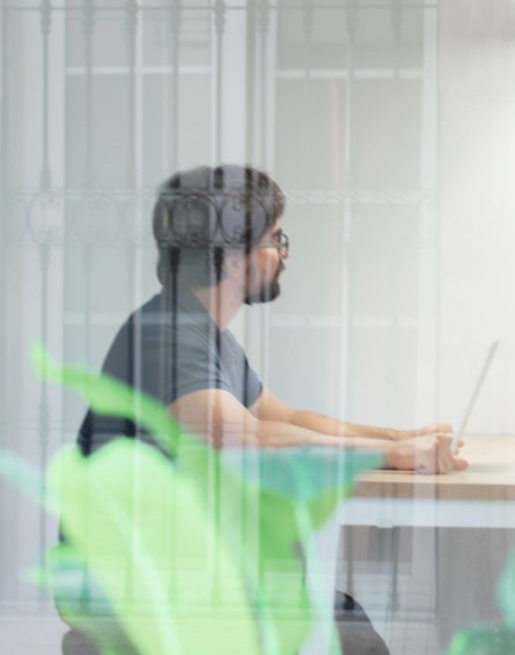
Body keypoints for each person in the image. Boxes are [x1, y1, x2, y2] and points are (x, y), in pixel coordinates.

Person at [64, 165, 465, 654]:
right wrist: (387, 456)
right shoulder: (163, 333)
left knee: (342, 619)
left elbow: (287, 419)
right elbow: (241, 435)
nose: (285, 252)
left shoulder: (205, 335)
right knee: (345, 631)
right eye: (275, 238)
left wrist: (398, 440)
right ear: (232, 257)